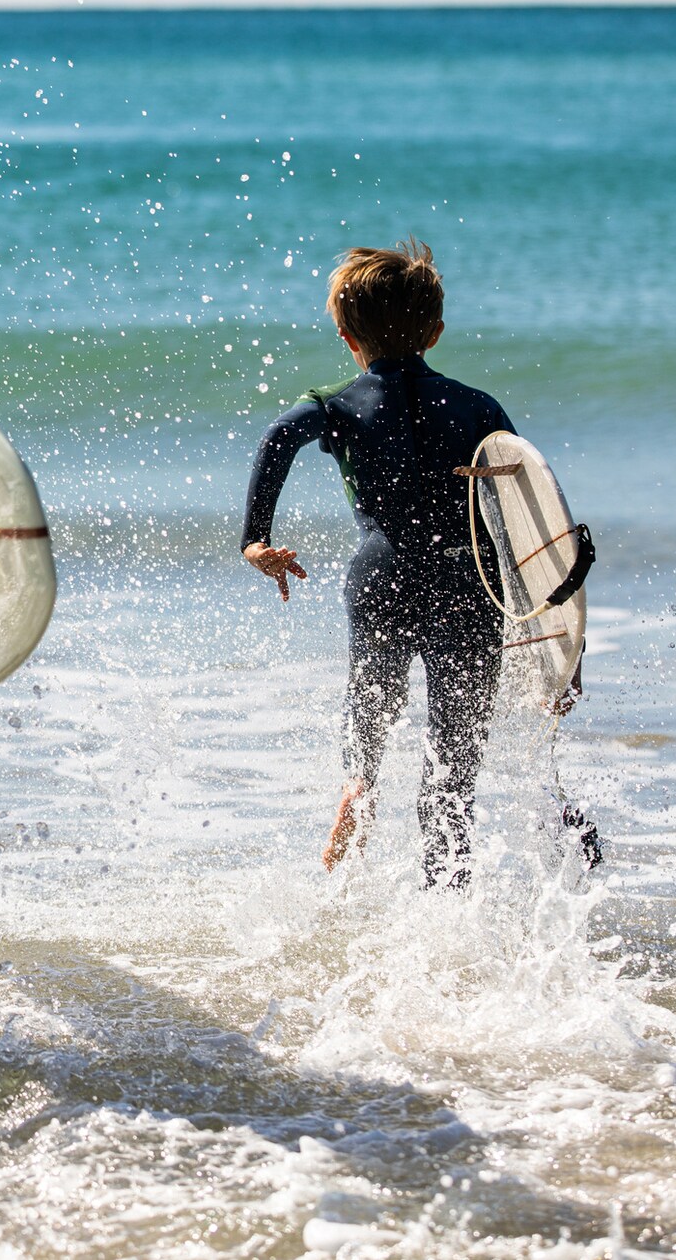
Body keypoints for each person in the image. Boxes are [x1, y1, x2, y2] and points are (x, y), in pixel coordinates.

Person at [242, 239, 532, 888]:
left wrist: (256, 539)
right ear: (434, 331)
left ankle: (359, 782)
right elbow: (530, 516)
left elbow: (277, 439)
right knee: (452, 765)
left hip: (381, 573)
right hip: (467, 580)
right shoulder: (479, 407)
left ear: (347, 336)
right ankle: (446, 893)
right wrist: (567, 651)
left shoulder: (338, 405)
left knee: (372, 703)